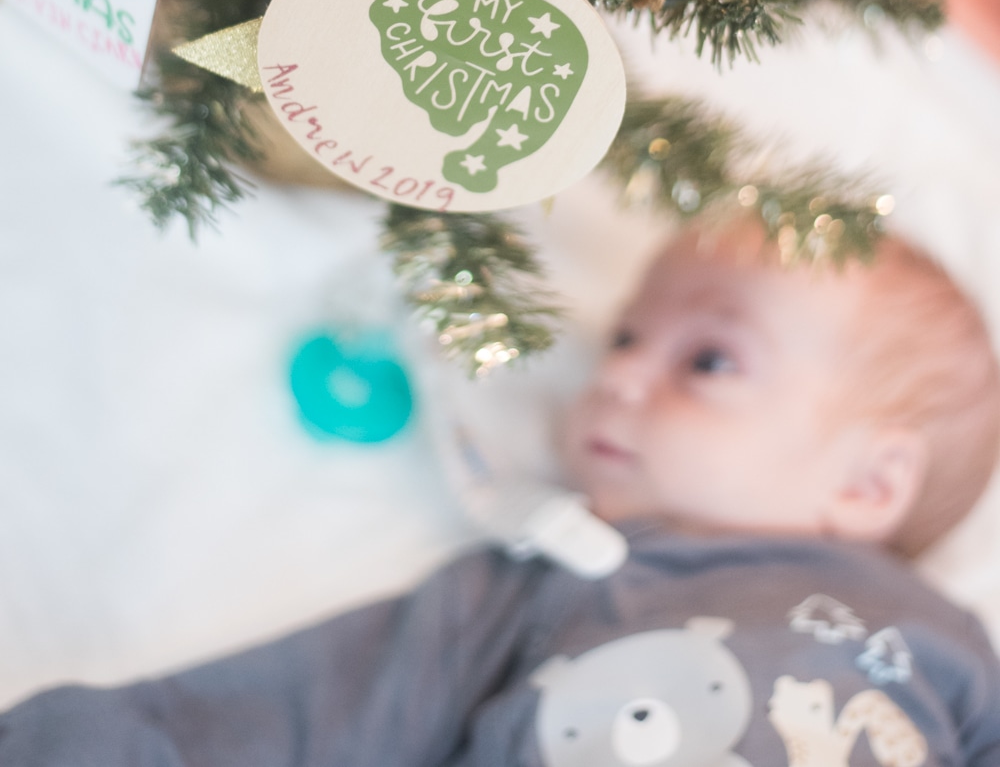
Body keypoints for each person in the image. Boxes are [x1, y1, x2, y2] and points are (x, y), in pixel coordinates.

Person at [3, 218, 1000, 767]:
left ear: (869, 483)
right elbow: (319, 710)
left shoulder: (939, 643)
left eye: (706, 357)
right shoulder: (542, 577)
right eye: (624, 337)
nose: (618, 375)